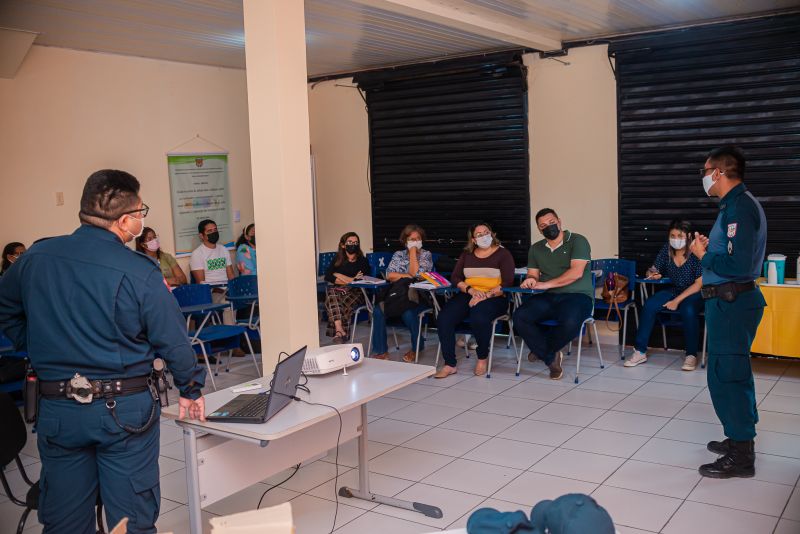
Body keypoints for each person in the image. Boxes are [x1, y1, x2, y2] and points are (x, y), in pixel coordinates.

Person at [0, 169, 206, 534]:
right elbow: (172, 338)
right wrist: (191, 388)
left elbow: (5, 306)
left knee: (65, 524)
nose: (142, 220)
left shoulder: (36, 257)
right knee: (131, 521)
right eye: (141, 212)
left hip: (59, 410)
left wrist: (32, 346)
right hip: (124, 412)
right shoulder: (139, 270)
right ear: (126, 220)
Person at [690, 146, 766, 479]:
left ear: (719, 172)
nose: (704, 177)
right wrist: (711, 250)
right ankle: (738, 437)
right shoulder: (734, 206)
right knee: (732, 373)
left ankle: (741, 456)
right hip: (727, 302)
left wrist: (702, 255)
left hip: (732, 303)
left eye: (706, 170)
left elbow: (736, 265)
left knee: (727, 375)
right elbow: (733, 253)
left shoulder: (739, 207)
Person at [513, 209, 593, 380]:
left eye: (551, 222)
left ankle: (541, 350)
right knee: (520, 316)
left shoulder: (578, 241)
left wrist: (546, 284)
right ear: (539, 229)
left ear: (559, 221)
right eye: (543, 226)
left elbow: (576, 273)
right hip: (548, 296)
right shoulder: (536, 248)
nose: (548, 227)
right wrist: (531, 280)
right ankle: (551, 357)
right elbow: (533, 273)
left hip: (578, 295)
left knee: (571, 321)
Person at [435, 223, 514, 378]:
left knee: (479, 316)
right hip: (470, 293)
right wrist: (471, 290)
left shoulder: (503, 254)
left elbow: (508, 282)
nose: (484, 236)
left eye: (486, 232)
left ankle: (482, 358)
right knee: (444, 318)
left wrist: (483, 296)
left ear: (492, 234)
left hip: (495, 296)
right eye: (479, 234)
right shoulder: (467, 254)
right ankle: (450, 364)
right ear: (473, 239)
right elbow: (456, 277)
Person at [624, 220, 703, 371]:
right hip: (674, 289)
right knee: (650, 305)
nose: (676, 239)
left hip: (695, 292)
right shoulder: (667, 250)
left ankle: (691, 355)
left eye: (680, 236)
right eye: (672, 235)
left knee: (688, 309)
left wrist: (676, 301)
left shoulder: (695, 252)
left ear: (689, 236)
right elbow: (653, 268)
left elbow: (699, 283)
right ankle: (640, 351)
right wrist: (652, 273)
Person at [370, 224, 434, 361]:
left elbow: (417, 273)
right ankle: (381, 351)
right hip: (398, 295)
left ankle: (417, 347)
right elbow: (389, 275)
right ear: (405, 241)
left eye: (418, 238)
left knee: (408, 313)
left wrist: (412, 253)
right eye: (412, 239)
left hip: (418, 296)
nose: (415, 242)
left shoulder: (426, 255)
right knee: (378, 310)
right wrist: (408, 276)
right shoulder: (398, 254)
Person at [324, 232, 371, 343]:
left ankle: (338, 332)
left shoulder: (362, 261)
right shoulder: (338, 259)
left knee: (335, 300)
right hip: (338, 291)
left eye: (355, 242)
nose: (353, 244)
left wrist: (339, 275)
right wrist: (350, 279)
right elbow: (328, 276)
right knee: (333, 294)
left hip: (357, 292)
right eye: (350, 242)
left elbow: (361, 280)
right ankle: (340, 331)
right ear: (343, 245)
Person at [190, 219, 235, 287]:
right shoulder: (197, 254)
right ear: (201, 236)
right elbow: (201, 283)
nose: (213, 232)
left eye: (215, 230)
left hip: (227, 289)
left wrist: (233, 289)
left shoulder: (223, 249)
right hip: (210, 290)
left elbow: (231, 276)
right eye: (209, 231)